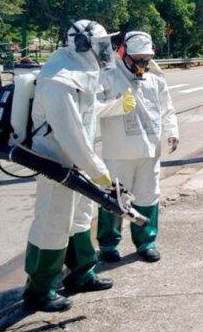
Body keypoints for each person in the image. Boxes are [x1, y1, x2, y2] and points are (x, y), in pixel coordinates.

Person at [23, 20, 136, 312]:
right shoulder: (58, 80)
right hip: (56, 163)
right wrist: (104, 177)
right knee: (52, 222)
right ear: (85, 45)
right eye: (102, 45)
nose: (107, 51)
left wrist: (115, 106)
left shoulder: (80, 72)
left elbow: (87, 113)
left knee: (80, 218)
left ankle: (81, 273)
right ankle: (39, 289)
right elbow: (72, 137)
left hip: (78, 162)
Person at [97, 31, 179, 263]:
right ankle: (108, 245)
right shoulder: (109, 77)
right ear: (124, 54)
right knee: (113, 199)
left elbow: (167, 109)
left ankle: (146, 242)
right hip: (119, 152)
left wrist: (172, 132)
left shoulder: (155, 79)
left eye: (147, 59)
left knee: (147, 196)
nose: (143, 64)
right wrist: (115, 106)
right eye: (139, 59)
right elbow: (91, 107)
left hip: (150, 152)